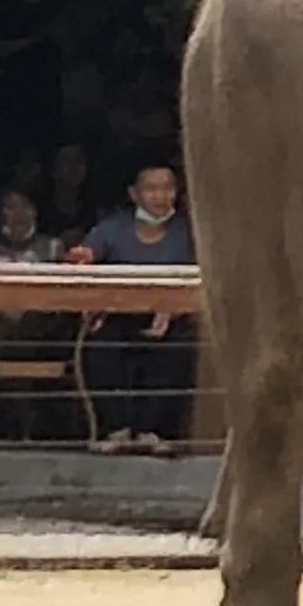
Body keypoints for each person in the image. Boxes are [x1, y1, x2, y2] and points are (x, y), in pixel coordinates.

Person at [70, 160, 196, 455]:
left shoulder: (190, 232)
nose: (160, 196)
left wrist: (172, 310)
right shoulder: (111, 229)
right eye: (151, 189)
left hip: (172, 316)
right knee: (101, 345)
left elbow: (202, 276)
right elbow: (85, 262)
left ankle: (153, 432)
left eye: (167, 188)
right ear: (134, 193)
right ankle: (116, 429)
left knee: (177, 348)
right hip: (117, 314)